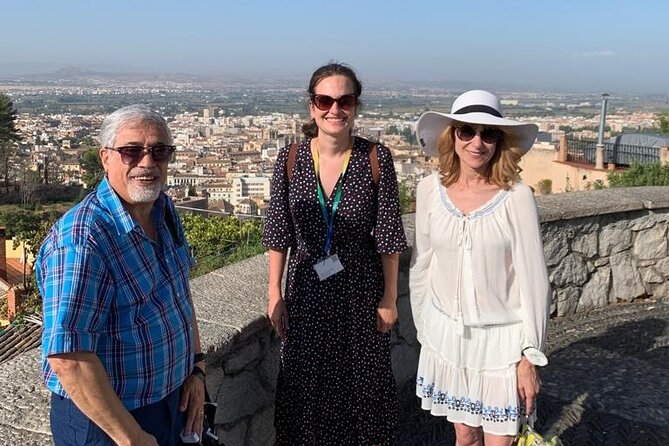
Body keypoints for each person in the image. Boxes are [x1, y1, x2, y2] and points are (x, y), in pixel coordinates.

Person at [36, 104, 207, 446]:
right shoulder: (83, 240)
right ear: (105, 158)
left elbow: (178, 296)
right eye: (131, 151)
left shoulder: (162, 208)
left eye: (159, 151)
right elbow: (68, 357)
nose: (147, 162)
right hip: (105, 423)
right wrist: (130, 437)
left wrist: (196, 369)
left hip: (171, 404)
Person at [263, 62, 408, 445]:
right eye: (325, 100)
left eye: (344, 100)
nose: (334, 109)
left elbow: (390, 236)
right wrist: (274, 295)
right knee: (304, 385)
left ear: (356, 106)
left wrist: (389, 297)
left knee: (361, 387)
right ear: (311, 107)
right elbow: (279, 235)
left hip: (360, 293)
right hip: (307, 292)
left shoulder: (376, 158)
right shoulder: (290, 160)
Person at [410, 90, 550, 446]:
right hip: (449, 339)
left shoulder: (516, 196)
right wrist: (427, 330)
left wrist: (528, 356)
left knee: (501, 440)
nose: (477, 142)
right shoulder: (429, 190)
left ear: (500, 143)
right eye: (467, 131)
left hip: (502, 346)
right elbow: (423, 264)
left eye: (489, 134)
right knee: (465, 437)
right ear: (451, 136)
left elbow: (534, 281)